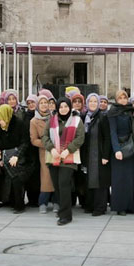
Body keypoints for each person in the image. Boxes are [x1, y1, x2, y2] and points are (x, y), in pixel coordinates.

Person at [43, 97, 85, 226]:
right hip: (54, 157)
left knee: (64, 184)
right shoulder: (52, 119)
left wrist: (68, 150)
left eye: (65, 106)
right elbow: (44, 136)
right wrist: (52, 149)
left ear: (69, 107)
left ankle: (66, 216)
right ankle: (62, 209)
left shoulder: (77, 120)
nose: (63, 109)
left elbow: (80, 137)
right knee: (57, 185)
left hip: (69, 157)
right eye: (60, 106)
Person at [0, 104, 32, 213]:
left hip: (22, 157)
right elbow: (1, 142)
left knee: (17, 178)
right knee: (8, 178)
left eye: (0, 120)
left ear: (6, 117)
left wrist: (16, 156)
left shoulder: (19, 124)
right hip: (8, 158)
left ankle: (19, 205)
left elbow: (25, 142)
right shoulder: (3, 127)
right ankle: (10, 202)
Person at [80, 93, 112, 216]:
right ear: (87, 103)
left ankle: (100, 207)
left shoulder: (102, 117)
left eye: (95, 101)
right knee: (90, 180)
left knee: (100, 182)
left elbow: (107, 138)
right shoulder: (85, 118)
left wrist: (105, 156)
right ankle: (90, 205)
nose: (93, 103)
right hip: (88, 155)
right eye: (90, 101)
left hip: (99, 155)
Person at [31, 91, 56, 214]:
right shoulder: (34, 121)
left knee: (56, 175)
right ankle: (43, 202)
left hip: (57, 151)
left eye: (46, 102)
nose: (44, 105)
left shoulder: (54, 117)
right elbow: (34, 140)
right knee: (46, 177)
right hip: (44, 152)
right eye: (41, 103)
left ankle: (57, 201)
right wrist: (47, 145)